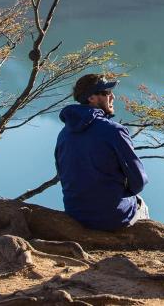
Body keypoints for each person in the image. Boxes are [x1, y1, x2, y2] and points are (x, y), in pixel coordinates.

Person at [55, 74, 149, 231]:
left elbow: (64, 175)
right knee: (141, 204)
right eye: (106, 92)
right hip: (112, 217)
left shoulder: (64, 134)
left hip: (75, 214)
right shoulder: (113, 131)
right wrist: (123, 192)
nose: (112, 96)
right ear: (92, 98)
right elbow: (139, 181)